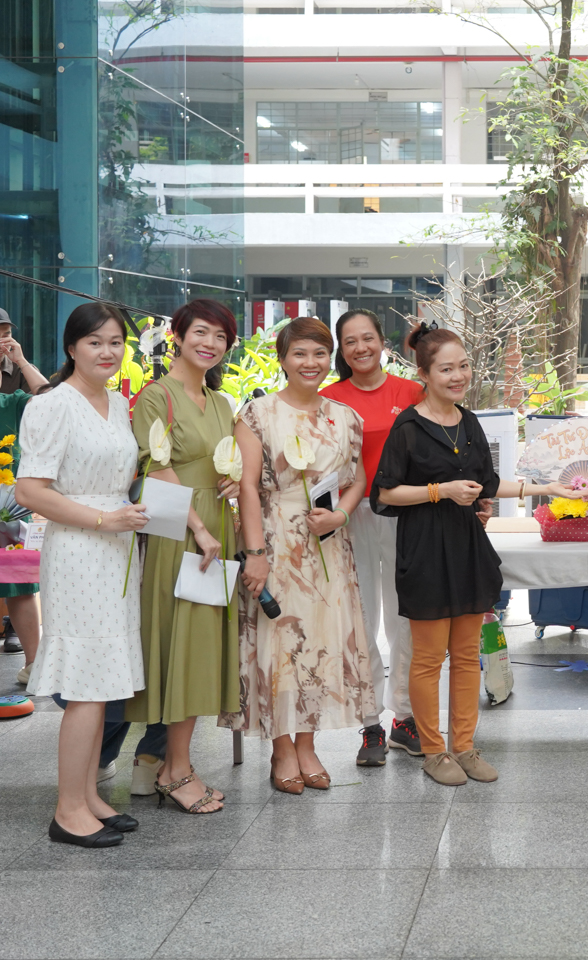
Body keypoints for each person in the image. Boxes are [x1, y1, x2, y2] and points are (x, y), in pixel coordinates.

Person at [373, 323, 576, 786]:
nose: (458, 376)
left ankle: (463, 747)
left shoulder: (468, 422)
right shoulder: (408, 427)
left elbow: (487, 483)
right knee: (428, 660)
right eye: (446, 369)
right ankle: (433, 752)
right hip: (425, 550)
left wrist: (546, 487)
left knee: (467, 656)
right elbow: (384, 494)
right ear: (424, 374)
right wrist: (440, 490)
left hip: (467, 548)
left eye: (463, 366)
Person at [223, 317, 375, 795]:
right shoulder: (258, 414)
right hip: (275, 540)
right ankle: (282, 747)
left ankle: (307, 744)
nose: (311, 363)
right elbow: (248, 487)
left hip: (328, 544)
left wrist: (341, 516)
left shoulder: (345, 417)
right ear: (283, 359)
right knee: (280, 643)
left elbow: (357, 479)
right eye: (300, 354)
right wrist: (255, 553)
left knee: (320, 643)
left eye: (319, 353)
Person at [17, 303, 149, 847]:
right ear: (72, 347)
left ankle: (89, 796)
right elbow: (30, 490)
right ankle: (67, 810)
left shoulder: (117, 403)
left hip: (118, 550)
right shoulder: (51, 405)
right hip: (79, 550)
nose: (107, 351)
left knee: (105, 680)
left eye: (116, 341)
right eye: (95, 342)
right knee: (87, 686)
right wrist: (103, 519)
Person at [126, 299, 243, 815]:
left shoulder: (221, 402)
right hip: (181, 531)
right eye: (200, 332)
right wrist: (198, 527)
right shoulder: (156, 396)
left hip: (217, 527)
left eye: (220, 337)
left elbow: (226, 464)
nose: (210, 344)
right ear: (177, 335)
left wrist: (230, 483)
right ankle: (174, 769)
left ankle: (174, 764)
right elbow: (156, 469)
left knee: (201, 650)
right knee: (182, 646)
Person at [321, 308, 425, 765]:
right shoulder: (327, 400)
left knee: (405, 617)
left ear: (382, 342)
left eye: (368, 338)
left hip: (406, 512)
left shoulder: (412, 392)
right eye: (350, 341)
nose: (361, 347)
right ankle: (369, 725)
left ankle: (405, 717)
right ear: (341, 351)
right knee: (361, 620)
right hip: (351, 515)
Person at [0, 328, 52, 684]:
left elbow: (50, 397)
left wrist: (20, 360)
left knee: (18, 582)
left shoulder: (11, 404)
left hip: (9, 509)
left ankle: (35, 664)